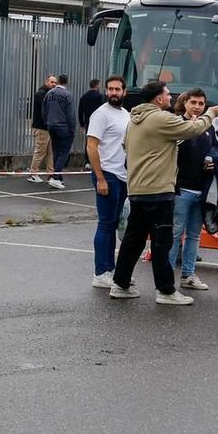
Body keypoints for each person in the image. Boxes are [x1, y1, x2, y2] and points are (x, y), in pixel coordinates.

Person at [110, 81, 218, 304]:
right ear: (158, 99)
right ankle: (166, 291)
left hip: (137, 188)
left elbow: (127, 147)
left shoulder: (134, 120)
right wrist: (210, 113)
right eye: (166, 95)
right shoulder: (160, 118)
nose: (170, 98)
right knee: (163, 241)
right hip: (159, 189)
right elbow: (193, 129)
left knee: (134, 240)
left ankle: (120, 283)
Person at [84, 75, 131, 290]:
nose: (113, 92)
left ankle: (110, 270)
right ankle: (100, 272)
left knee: (113, 224)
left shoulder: (125, 115)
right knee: (105, 224)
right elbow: (91, 146)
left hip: (121, 175)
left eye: (117, 89)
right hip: (107, 174)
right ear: (106, 91)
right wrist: (100, 177)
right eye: (110, 89)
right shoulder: (100, 114)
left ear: (124, 92)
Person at [170, 89, 216, 292]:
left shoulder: (208, 126)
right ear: (184, 103)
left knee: (194, 235)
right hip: (180, 188)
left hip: (201, 188)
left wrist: (214, 161)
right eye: (193, 102)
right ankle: (167, 277)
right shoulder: (177, 124)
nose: (197, 107)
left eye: (201, 103)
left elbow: (214, 149)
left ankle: (188, 274)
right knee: (174, 233)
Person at [42, 73, 76, 191]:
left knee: (56, 151)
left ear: (58, 81)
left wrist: (47, 122)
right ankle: (56, 176)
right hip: (64, 127)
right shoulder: (67, 95)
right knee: (64, 153)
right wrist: (72, 129)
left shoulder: (49, 93)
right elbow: (71, 114)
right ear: (66, 82)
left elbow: (44, 110)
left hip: (51, 126)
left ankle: (58, 177)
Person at [28, 74, 58, 183]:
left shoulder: (49, 94)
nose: (54, 84)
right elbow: (46, 109)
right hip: (41, 127)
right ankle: (33, 173)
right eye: (52, 82)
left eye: (55, 82)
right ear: (46, 82)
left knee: (50, 152)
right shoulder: (41, 94)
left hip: (48, 127)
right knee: (40, 151)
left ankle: (51, 174)